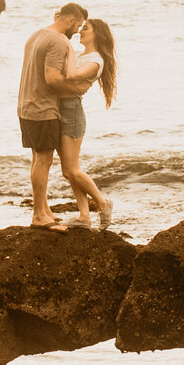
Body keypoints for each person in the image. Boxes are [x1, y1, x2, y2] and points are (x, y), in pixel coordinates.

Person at [17, 2, 94, 228]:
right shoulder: (59, 41)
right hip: (43, 108)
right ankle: (39, 216)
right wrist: (77, 90)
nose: (77, 30)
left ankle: (44, 210)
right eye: (78, 25)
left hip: (26, 105)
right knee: (44, 160)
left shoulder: (37, 35)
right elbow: (51, 78)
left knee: (37, 159)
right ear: (70, 20)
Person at [55, 18, 119, 230]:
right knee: (68, 171)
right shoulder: (81, 54)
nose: (81, 31)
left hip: (72, 111)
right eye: (81, 27)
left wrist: (66, 59)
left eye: (86, 28)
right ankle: (84, 215)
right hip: (61, 107)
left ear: (97, 34)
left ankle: (102, 203)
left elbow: (72, 76)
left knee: (72, 170)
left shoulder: (96, 60)